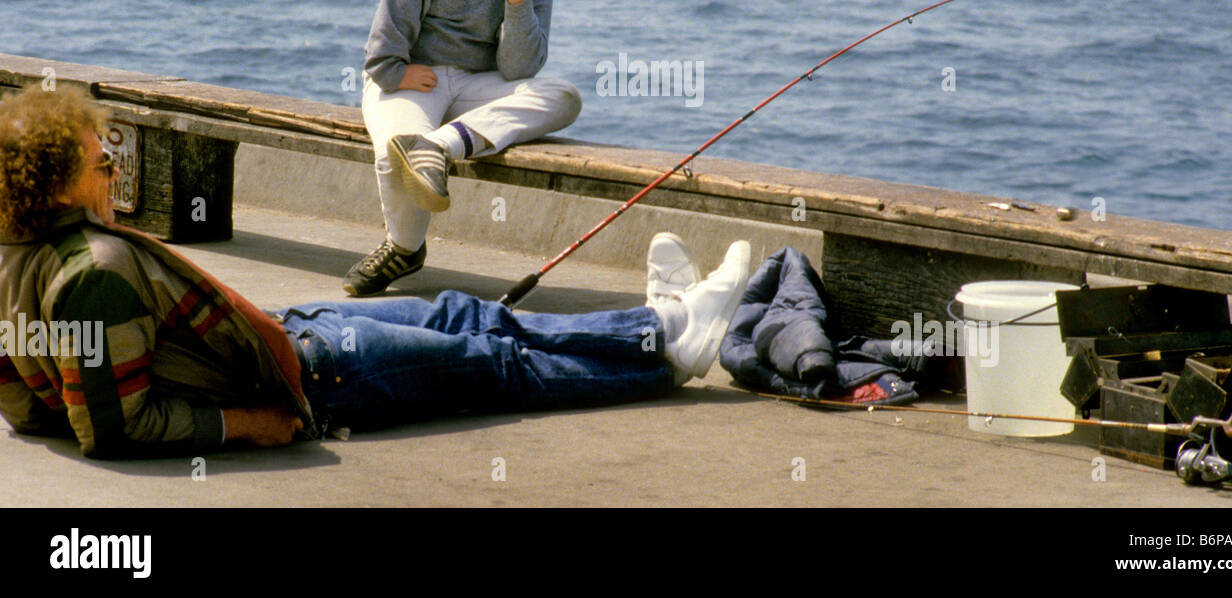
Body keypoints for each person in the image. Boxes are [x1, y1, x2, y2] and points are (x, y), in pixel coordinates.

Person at [0, 86, 749, 459]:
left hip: (290, 340)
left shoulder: (19, 261)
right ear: (60, 184)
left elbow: (24, 408)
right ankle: (668, 351)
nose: (113, 168)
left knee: (466, 312)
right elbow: (111, 428)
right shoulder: (94, 276)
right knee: (492, 362)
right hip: (313, 382)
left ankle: (654, 327)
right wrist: (246, 425)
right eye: (103, 162)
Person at [347, 0, 582, 297]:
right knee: (397, 146)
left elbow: (520, 71)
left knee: (564, 96)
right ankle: (405, 248)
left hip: (481, 89)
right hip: (416, 79)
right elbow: (382, 45)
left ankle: (443, 146)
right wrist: (398, 73)